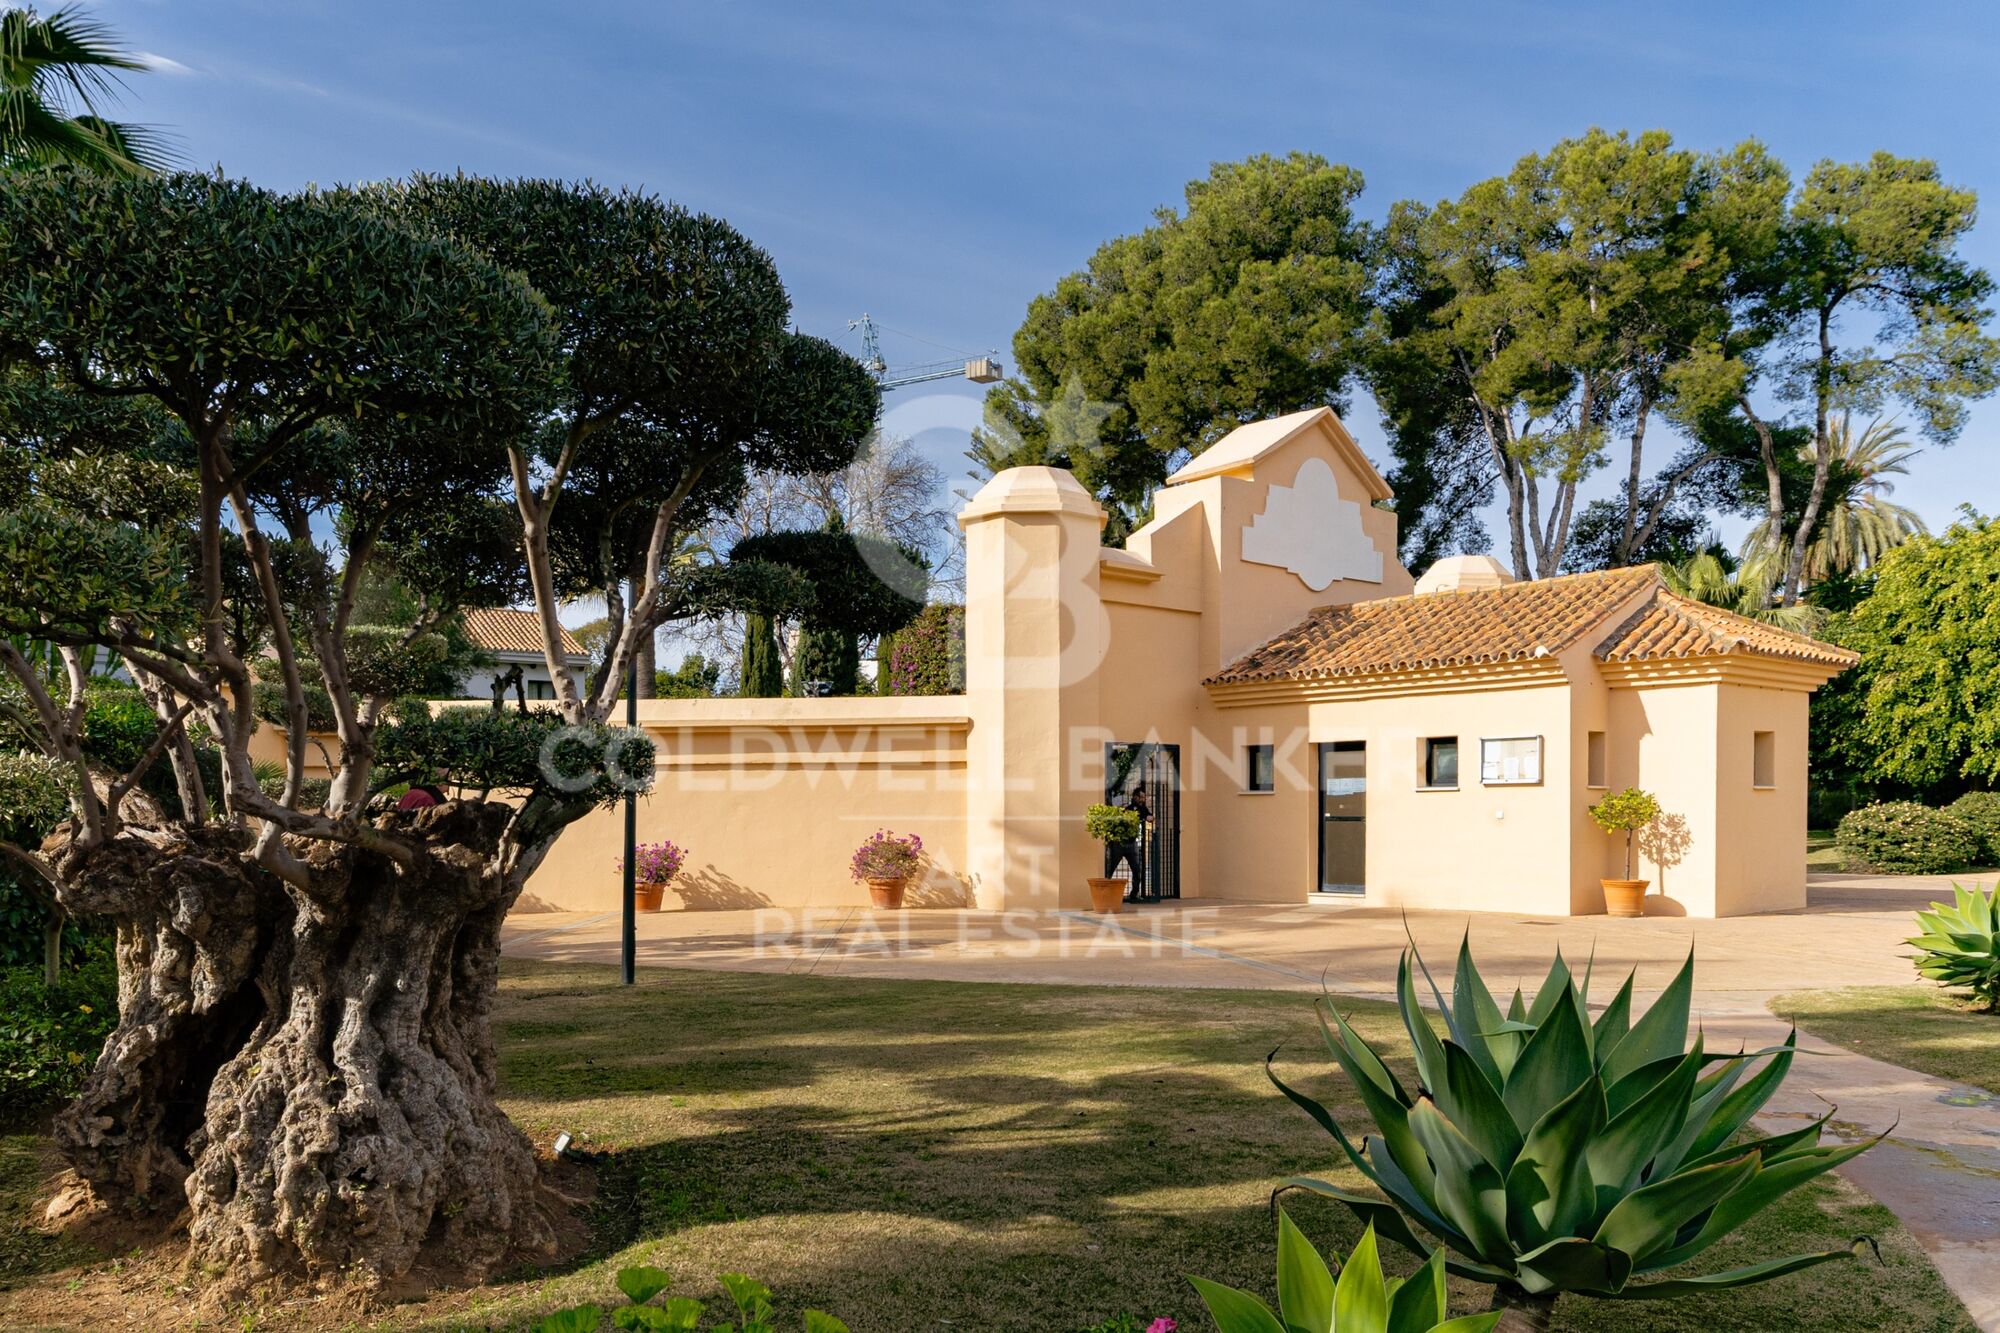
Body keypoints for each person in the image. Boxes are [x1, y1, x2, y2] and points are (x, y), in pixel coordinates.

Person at [1104, 786, 1151, 899]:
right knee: (1110, 869)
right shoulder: (1126, 808)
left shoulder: (1142, 809)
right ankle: (1103, 892)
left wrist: (1149, 817)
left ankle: (1134, 894)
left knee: (1137, 870)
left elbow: (1149, 816)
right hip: (1118, 844)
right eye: (1141, 797)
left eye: (1144, 797)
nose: (1143, 799)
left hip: (1132, 843)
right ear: (1135, 797)